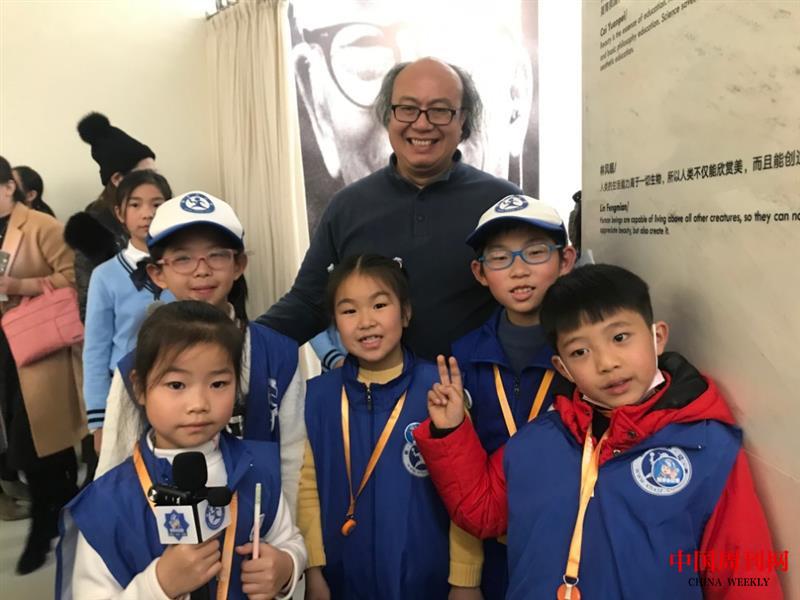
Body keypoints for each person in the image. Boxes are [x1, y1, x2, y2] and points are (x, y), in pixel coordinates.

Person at [415, 265, 783, 599]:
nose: (606, 363)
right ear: (562, 367)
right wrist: (451, 431)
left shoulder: (707, 447)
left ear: (657, 337)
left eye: (620, 337)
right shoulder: (536, 441)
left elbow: (744, 574)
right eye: (580, 352)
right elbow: (481, 510)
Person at [260, 57, 523, 362]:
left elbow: (540, 298)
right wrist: (239, 344)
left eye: (440, 110)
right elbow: (308, 303)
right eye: (407, 108)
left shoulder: (502, 202)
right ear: (388, 115)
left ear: (462, 119)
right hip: (375, 389)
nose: (422, 123)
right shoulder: (347, 207)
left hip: (479, 387)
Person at [57, 301, 307, 599]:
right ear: (139, 387)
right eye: (176, 385)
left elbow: (288, 539)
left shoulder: (257, 469)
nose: (198, 404)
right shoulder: (107, 503)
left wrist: (286, 566)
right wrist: (158, 585)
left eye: (218, 383)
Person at [96, 192, 305, 515]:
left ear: (238, 265)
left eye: (216, 255)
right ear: (157, 273)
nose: (202, 270)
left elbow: (293, 458)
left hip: (260, 528)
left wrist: (285, 536)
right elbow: (115, 464)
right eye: (183, 258)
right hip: (169, 530)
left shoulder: (278, 354)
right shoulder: (138, 364)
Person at [298, 254, 479, 599]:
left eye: (379, 305)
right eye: (349, 311)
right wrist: (313, 569)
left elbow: (465, 490)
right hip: (341, 580)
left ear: (406, 313)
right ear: (334, 324)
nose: (366, 322)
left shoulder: (440, 391)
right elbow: (306, 488)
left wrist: (465, 580)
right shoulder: (316, 398)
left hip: (428, 581)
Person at [289, 0, 536, 234]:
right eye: (368, 52)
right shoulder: (343, 217)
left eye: (451, 41)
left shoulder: (524, 228)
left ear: (516, 94)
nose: (420, 123)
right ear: (318, 107)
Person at [450, 193, 576, 598]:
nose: (519, 270)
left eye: (536, 252)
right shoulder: (463, 356)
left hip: (572, 550)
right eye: (500, 257)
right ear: (480, 272)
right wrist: (465, 578)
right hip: (492, 552)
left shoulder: (586, 354)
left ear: (566, 259)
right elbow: (460, 473)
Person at [0, 155, 85, 574]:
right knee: (26, 437)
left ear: (8, 188)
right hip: (3, 346)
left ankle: (43, 526)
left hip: (38, 346)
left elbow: (73, 278)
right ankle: (60, 505)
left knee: (36, 439)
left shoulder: (40, 225)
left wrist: (19, 285)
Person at [82, 170, 173, 454]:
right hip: (124, 392)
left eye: (157, 204)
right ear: (120, 213)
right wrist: (98, 421)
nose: (147, 213)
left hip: (178, 386)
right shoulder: (105, 275)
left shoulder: (183, 267)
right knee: (128, 470)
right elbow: (95, 350)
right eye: (135, 205)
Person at [66, 112, 157, 321]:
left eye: (156, 173)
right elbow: (90, 310)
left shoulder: (165, 214)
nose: (155, 181)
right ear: (117, 179)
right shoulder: (91, 230)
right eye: (146, 174)